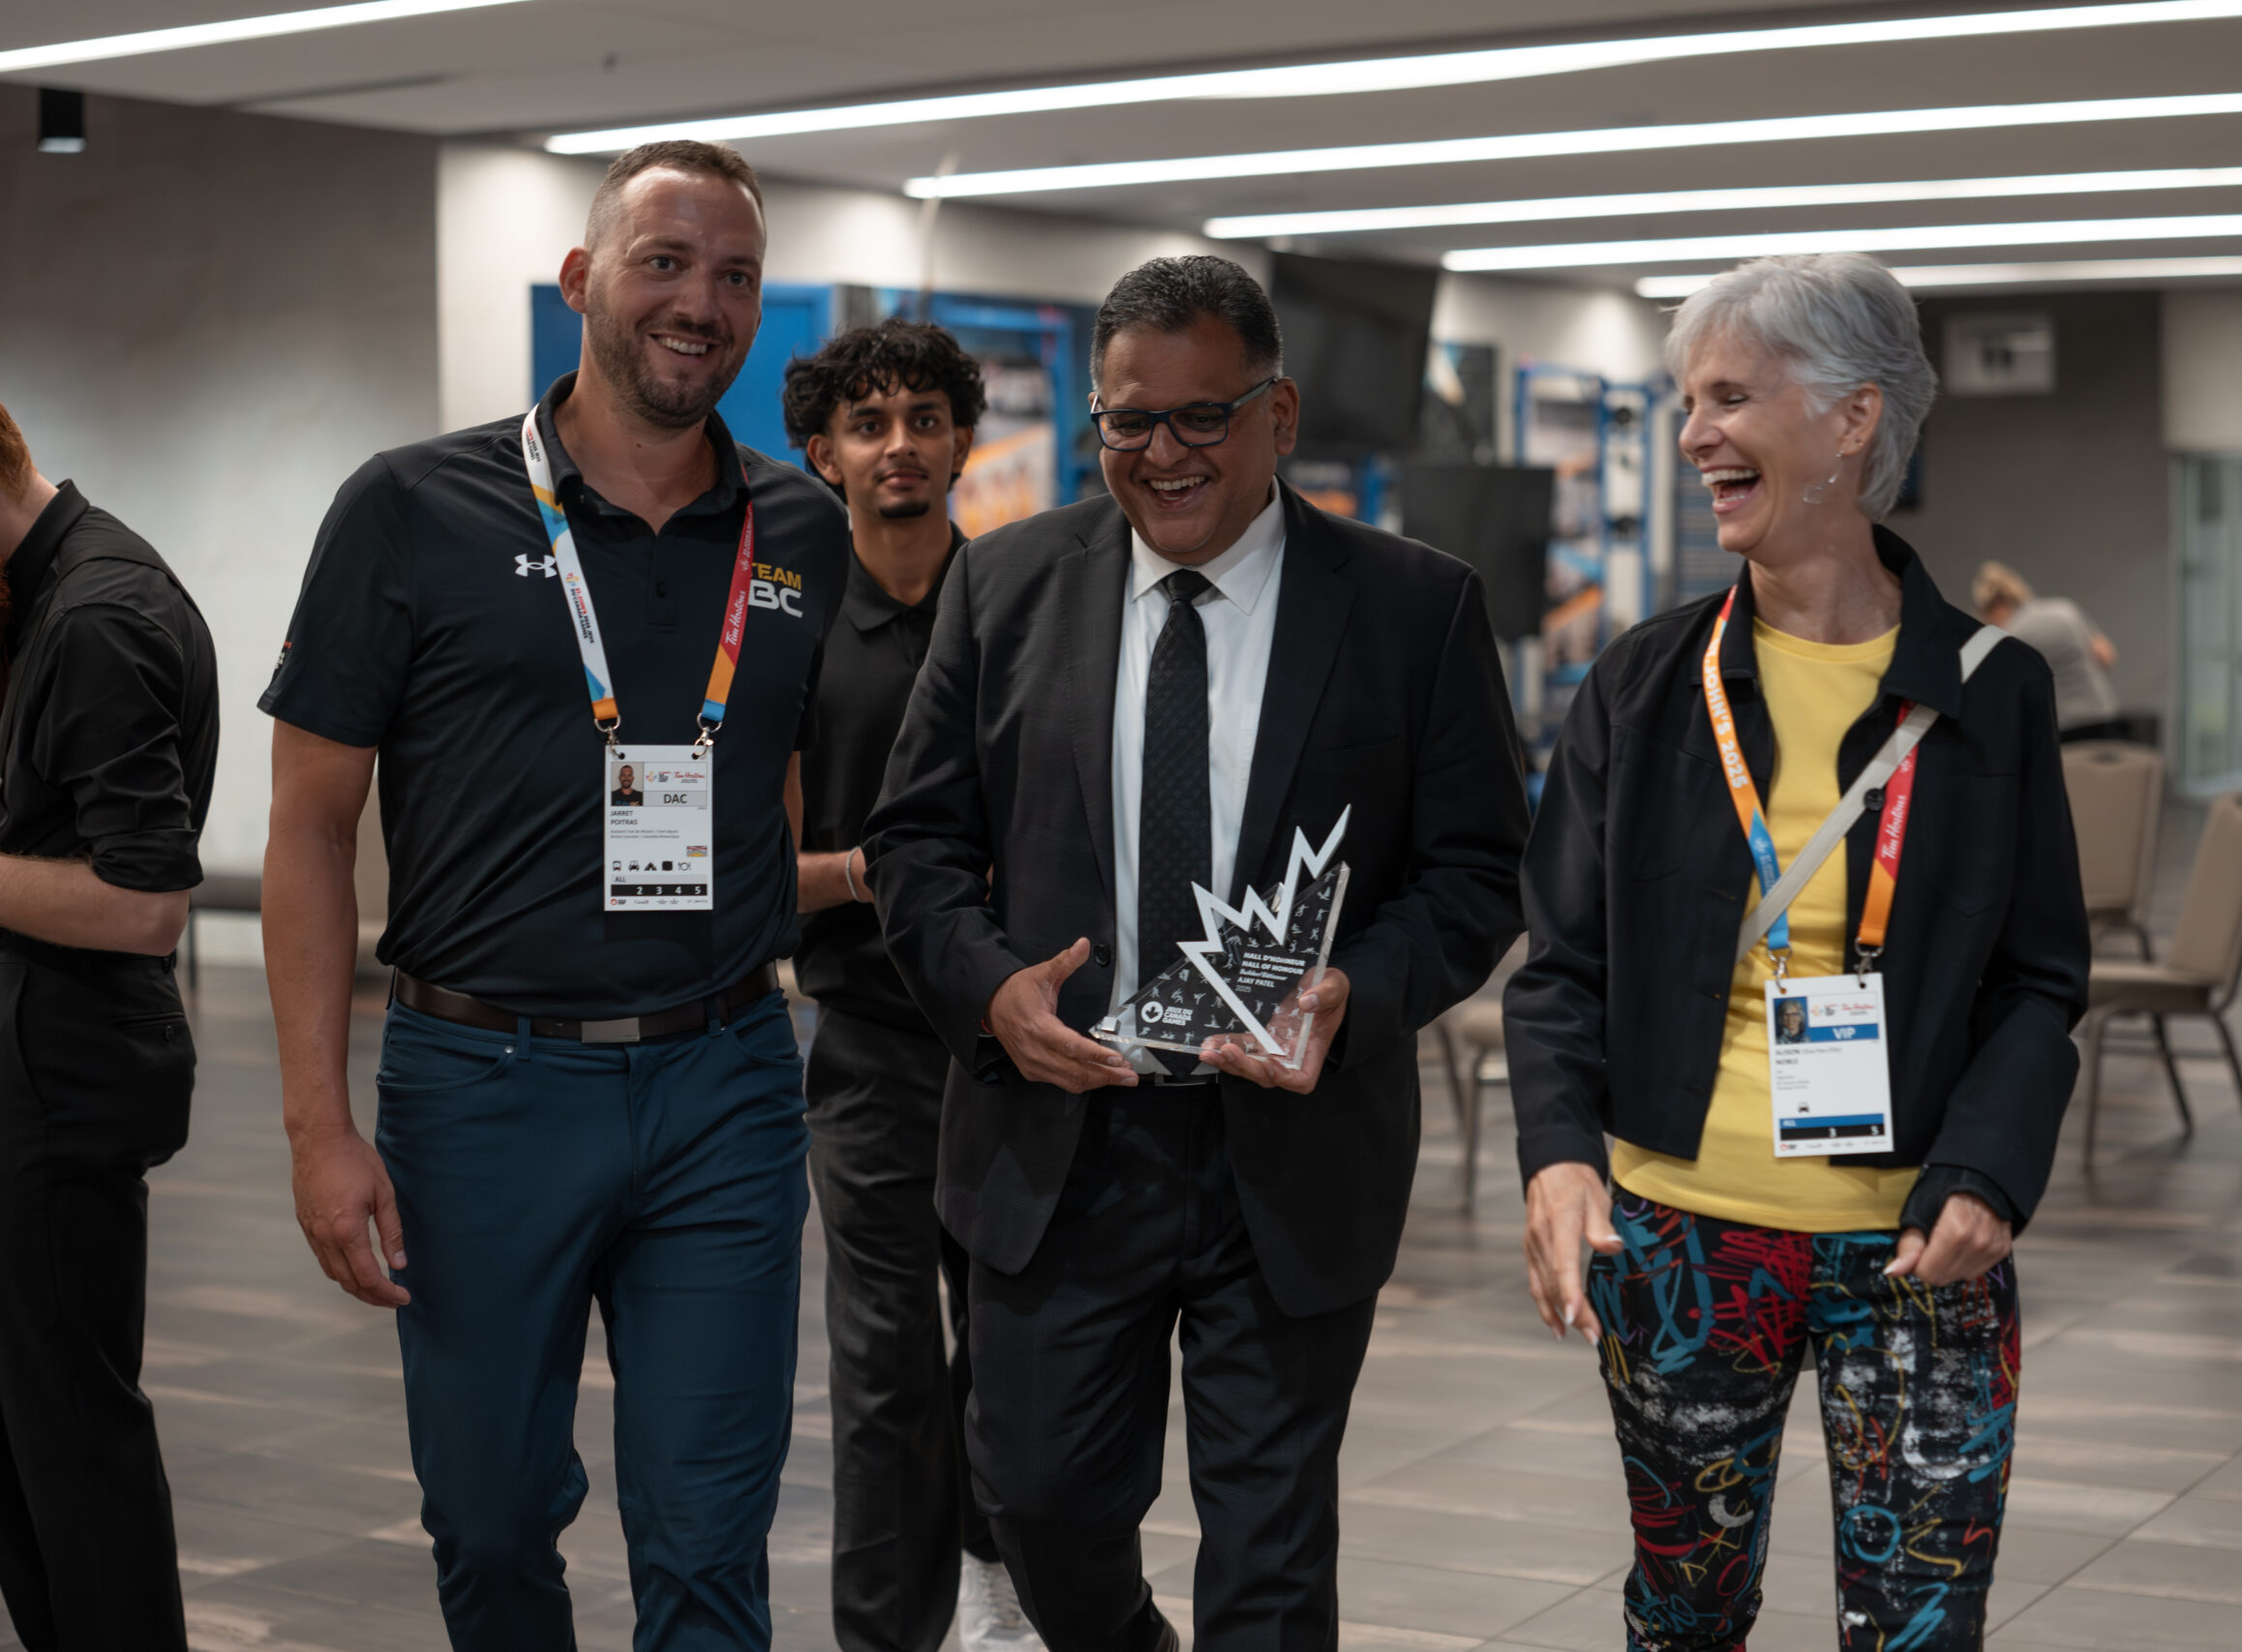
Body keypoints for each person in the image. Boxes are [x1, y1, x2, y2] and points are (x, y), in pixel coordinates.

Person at [866, 255, 1530, 1652]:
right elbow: (917, 846)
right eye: (1126, 422)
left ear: (1279, 413)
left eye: (1201, 417)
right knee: (1037, 1502)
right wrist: (990, 987)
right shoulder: (1007, 585)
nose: (1161, 453)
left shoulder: (1415, 609)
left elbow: (1479, 873)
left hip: (1289, 1147)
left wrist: (1357, 990)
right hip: (1060, 1139)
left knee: (1272, 1549)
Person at [260, 139, 845, 1650]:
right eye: (664, 261)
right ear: (582, 280)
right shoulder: (408, 508)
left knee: (715, 1536)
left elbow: (779, 778)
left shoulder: (802, 533)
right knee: (492, 1515)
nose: (697, 302)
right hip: (481, 1084)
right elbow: (311, 833)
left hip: (723, 1076)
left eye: (733, 276)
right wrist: (321, 1124)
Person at [1507, 254, 2088, 1650]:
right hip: (1683, 1235)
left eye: (1729, 395)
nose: (1694, 432)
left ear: (1851, 418)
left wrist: (1990, 1169)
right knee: (1683, 1616)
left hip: (1918, 1254)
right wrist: (1559, 1152)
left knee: (1918, 1624)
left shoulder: (1992, 689)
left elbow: (2039, 978)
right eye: (1681, 400)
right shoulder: (1647, 684)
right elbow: (1559, 964)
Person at [776, 319, 1041, 1652]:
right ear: (822, 452)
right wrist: (882, 875)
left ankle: (996, 1578)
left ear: (959, 439)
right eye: (869, 424)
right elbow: (748, 868)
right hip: (871, 1048)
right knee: (883, 1376)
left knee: (1012, 1354)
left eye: (924, 418)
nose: (899, 445)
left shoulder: (1021, 606)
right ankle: (886, 1634)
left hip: (1011, 1047)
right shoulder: (789, 629)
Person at [0, 402, 217, 1651]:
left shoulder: (94, 616)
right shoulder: (49, 597)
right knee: (25, 1459)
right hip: (33, 1070)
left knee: (75, 1457)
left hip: (60, 1080)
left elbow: (144, 902)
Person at [1973, 559, 2128, 741]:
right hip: (2102, 716)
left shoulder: (2010, 636)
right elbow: (2106, 656)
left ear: (1992, 610)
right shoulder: (2066, 610)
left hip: (2059, 728)